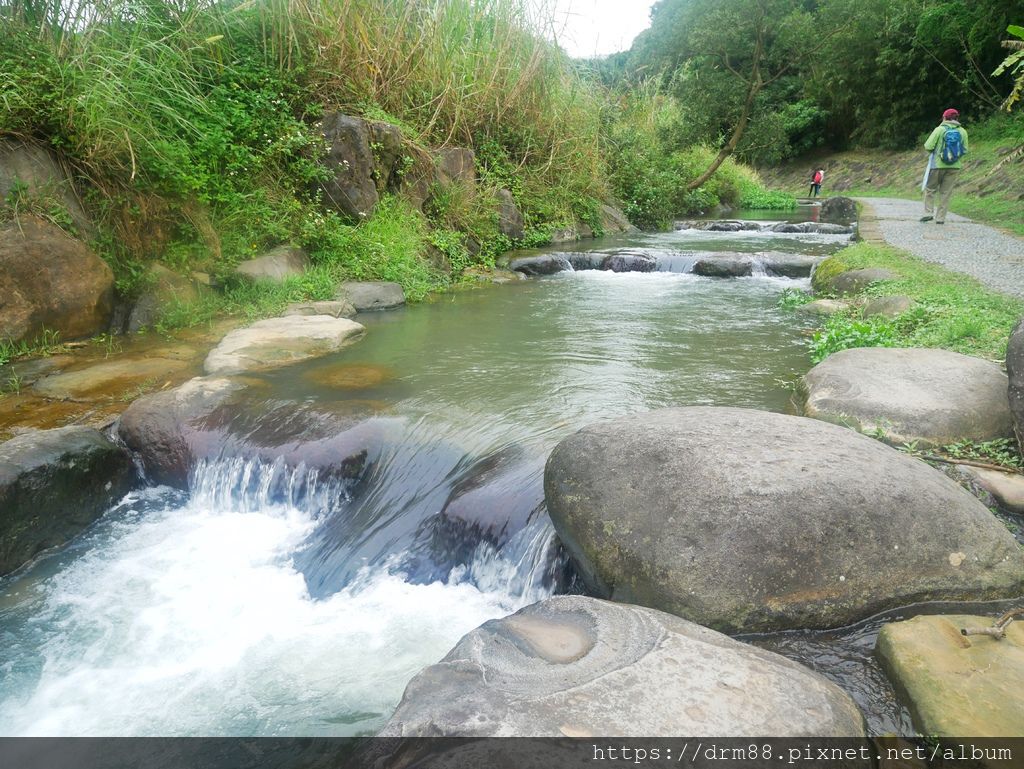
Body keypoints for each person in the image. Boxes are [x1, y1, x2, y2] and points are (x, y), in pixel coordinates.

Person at [921, 108, 968, 224]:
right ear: (957, 118)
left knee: (930, 189)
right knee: (945, 192)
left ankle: (928, 213)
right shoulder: (962, 131)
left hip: (937, 165)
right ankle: (940, 218)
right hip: (954, 167)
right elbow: (965, 150)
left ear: (944, 118)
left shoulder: (939, 129)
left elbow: (928, 146)